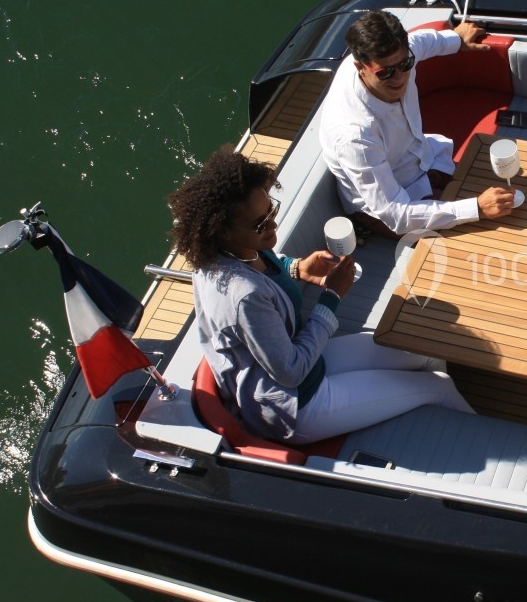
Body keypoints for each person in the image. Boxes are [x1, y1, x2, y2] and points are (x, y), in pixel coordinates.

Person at [168, 146, 475, 444]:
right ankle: (486, 441)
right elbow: (290, 372)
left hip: (310, 360)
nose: (272, 224)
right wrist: (332, 297)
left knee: (425, 346)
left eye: (271, 209)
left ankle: (433, 425)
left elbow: (266, 272)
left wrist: (297, 268)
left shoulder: (237, 248)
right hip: (296, 404)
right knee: (439, 387)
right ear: (222, 231)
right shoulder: (242, 296)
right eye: (260, 224)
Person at [320, 9, 515, 237]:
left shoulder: (400, 57)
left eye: (405, 65)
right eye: (386, 73)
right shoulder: (356, 137)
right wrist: (478, 208)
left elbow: (420, 42)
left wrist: (455, 39)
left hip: (424, 158)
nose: (399, 77)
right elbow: (395, 214)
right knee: (485, 233)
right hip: (388, 209)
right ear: (360, 67)